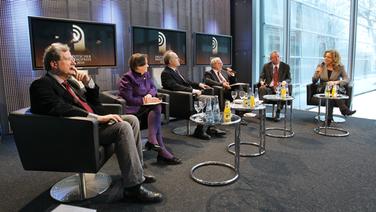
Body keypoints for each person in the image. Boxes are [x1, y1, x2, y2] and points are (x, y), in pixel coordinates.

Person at [29, 43, 162, 203]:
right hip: (77, 130)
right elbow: (58, 108)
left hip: (92, 124)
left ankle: (136, 172)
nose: (73, 63)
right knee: (123, 127)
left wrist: (89, 84)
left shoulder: (70, 83)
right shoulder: (41, 85)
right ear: (54, 64)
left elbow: (95, 105)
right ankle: (133, 188)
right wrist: (96, 118)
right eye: (68, 59)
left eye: (72, 59)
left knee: (132, 120)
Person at [118, 53, 181, 165]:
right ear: (138, 66)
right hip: (134, 110)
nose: (148, 65)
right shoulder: (127, 78)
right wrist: (144, 100)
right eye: (146, 64)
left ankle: (154, 142)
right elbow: (128, 99)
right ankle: (159, 148)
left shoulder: (146, 74)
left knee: (156, 106)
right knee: (157, 107)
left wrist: (150, 96)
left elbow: (153, 88)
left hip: (146, 108)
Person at [161, 50, 226, 140]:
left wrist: (199, 84)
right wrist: (193, 90)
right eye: (176, 58)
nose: (179, 59)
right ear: (170, 61)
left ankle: (210, 127)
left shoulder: (175, 71)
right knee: (209, 100)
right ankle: (199, 131)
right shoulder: (166, 73)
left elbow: (186, 81)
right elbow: (175, 87)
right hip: (182, 99)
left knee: (213, 99)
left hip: (188, 96)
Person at [312, 49, 356, 126]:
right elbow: (314, 81)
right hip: (323, 88)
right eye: (325, 56)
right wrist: (317, 72)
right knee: (331, 90)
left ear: (334, 59)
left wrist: (336, 82)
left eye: (329, 57)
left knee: (331, 93)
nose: (326, 58)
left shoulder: (340, 67)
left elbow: (347, 79)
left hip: (335, 89)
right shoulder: (321, 66)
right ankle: (344, 110)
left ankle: (328, 119)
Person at [258, 50, 291, 121]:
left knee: (282, 91)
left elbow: (289, 78)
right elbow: (261, 77)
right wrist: (261, 82)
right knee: (262, 89)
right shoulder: (266, 66)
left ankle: (278, 112)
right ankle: (261, 111)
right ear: (271, 59)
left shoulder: (285, 66)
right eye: (274, 57)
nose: (277, 58)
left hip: (280, 86)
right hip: (269, 87)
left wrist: (284, 82)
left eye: (278, 57)